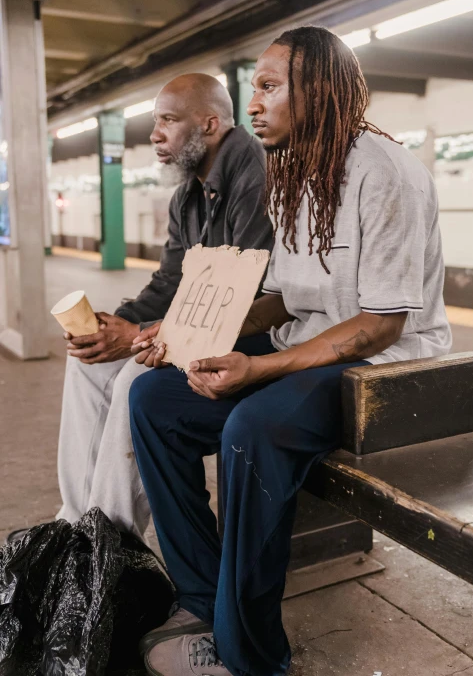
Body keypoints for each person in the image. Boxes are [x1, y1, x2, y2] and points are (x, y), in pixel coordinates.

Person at [128, 26, 452, 676]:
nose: (254, 105)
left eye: (270, 88)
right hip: (315, 343)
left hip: (386, 367)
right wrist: (195, 330)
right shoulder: (291, 172)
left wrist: (259, 366)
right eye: (254, 89)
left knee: (255, 425)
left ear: (321, 93)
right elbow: (279, 296)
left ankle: (252, 654)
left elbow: (382, 324)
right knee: (155, 399)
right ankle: (199, 599)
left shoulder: (387, 173)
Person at [6, 73, 273, 545]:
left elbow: (247, 295)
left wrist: (138, 336)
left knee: (137, 377)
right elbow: (172, 281)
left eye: (168, 120)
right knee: (89, 364)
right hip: (204, 325)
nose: (154, 134)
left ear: (210, 124)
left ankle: (111, 543)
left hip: (252, 335)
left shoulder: (256, 175)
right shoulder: (186, 195)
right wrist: (120, 321)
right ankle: (75, 522)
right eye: (155, 121)